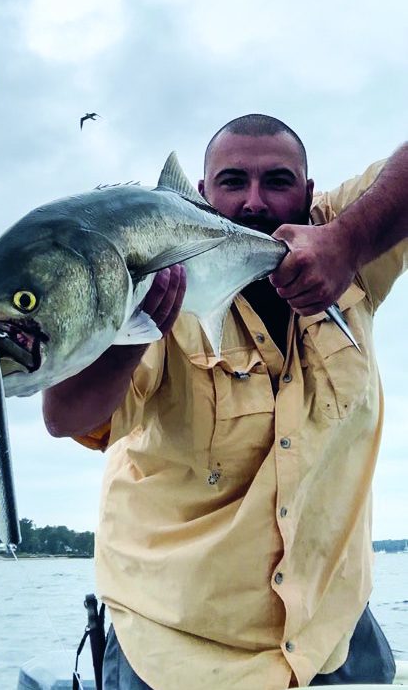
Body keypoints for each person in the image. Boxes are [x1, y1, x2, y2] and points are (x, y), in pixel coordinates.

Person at [42, 114, 408, 690]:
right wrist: (136, 328)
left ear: (310, 195)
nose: (254, 202)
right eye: (233, 182)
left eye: (278, 181)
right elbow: (66, 417)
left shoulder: (345, 238)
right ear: (203, 195)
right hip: (178, 646)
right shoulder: (160, 265)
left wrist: (349, 242)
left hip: (327, 632)